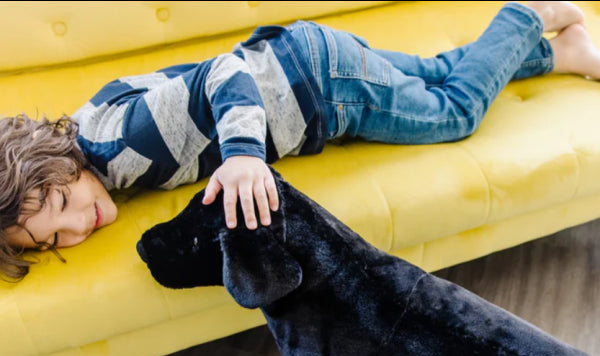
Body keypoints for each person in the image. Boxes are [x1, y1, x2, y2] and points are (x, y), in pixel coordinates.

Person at [0, 0, 598, 280]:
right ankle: (558, 53)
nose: (76, 229)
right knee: (432, 72)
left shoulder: (127, 147)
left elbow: (220, 74)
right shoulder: (84, 126)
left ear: (53, 164)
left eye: (59, 208)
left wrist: (241, 159)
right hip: (303, 55)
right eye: (54, 240)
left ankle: (524, 16)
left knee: (450, 112)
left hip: (320, 92)